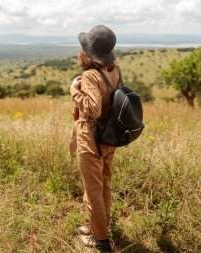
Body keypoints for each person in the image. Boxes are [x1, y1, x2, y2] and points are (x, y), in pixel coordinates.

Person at [69, 25, 121, 252]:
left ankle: (100, 240)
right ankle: (98, 227)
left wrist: (73, 90)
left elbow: (93, 108)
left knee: (93, 190)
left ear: (88, 52)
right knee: (104, 185)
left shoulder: (91, 75)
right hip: (109, 138)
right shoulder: (114, 70)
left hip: (91, 139)